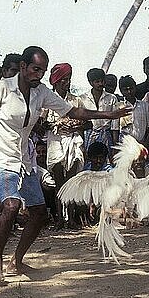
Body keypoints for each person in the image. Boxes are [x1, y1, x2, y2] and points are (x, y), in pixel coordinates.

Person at [0, 46, 131, 282]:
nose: (39, 75)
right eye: (35, 69)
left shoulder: (41, 92)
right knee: (11, 206)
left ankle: (17, 261)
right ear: (23, 67)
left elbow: (74, 111)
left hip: (23, 161)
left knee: (40, 214)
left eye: (42, 70)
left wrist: (109, 115)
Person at [41, 63, 86, 229]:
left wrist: (77, 126)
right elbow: (40, 124)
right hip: (55, 142)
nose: (66, 83)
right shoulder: (47, 100)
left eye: (68, 80)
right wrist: (56, 124)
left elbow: (88, 124)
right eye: (63, 80)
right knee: (59, 180)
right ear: (55, 82)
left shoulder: (76, 100)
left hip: (73, 142)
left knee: (72, 180)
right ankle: (60, 218)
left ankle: (72, 219)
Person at [81, 68, 120, 156]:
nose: (100, 84)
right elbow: (80, 124)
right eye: (97, 81)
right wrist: (82, 145)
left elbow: (115, 125)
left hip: (106, 135)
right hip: (89, 135)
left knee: (107, 163)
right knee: (89, 162)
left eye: (102, 81)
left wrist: (115, 146)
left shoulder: (112, 98)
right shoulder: (82, 99)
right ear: (91, 82)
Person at [118, 75, 149, 144]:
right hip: (124, 146)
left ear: (135, 88)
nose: (129, 92)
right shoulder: (119, 107)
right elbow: (115, 130)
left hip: (141, 144)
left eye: (131, 88)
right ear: (121, 91)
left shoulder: (145, 105)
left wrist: (145, 145)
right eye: (126, 89)